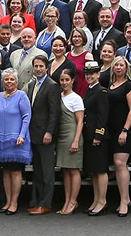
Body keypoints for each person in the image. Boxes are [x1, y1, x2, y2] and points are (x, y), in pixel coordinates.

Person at [0, 68, 32, 214]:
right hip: (1, 142)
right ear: (3, 81)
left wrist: (22, 135)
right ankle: (7, 202)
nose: (9, 82)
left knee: (15, 172)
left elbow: (26, 116)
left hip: (16, 141)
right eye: (6, 79)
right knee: (5, 172)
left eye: (12, 79)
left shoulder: (21, 96)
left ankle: (14, 202)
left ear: (17, 81)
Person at [25, 54, 60, 214]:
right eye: (36, 66)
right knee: (37, 171)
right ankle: (36, 201)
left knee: (47, 172)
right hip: (34, 134)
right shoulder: (32, 85)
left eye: (41, 66)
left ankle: (46, 203)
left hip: (46, 135)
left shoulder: (52, 85)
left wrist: (49, 132)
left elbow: (54, 112)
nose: (38, 69)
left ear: (47, 68)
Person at [103, 55, 131, 216]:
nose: (118, 68)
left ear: (126, 68)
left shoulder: (130, 86)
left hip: (125, 130)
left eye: (121, 65)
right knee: (117, 165)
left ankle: (124, 200)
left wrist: (125, 130)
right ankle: (126, 198)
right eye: (116, 65)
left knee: (120, 163)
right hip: (111, 128)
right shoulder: (111, 85)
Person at [53, 66, 86, 215]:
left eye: (67, 80)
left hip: (72, 135)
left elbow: (80, 121)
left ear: (73, 81)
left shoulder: (76, 98)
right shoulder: (60, 96)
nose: (64, 82)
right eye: (62, 80)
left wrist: (76, 140)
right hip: (61, 135)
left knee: (73, 170)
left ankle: (73, 201)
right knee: (65, 170)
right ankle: (67, 200)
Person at [81, 62, 110, 215]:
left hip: (98, 137)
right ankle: (96, 200)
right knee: (93, 171)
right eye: (87, 73)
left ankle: (102, 201)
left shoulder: (101, 91)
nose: (89, 76)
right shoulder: (89, 90)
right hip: (88, 135)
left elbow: (103, 116)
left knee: (100, 170)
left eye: (92, 73)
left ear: (99, 74)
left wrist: (98, 135)